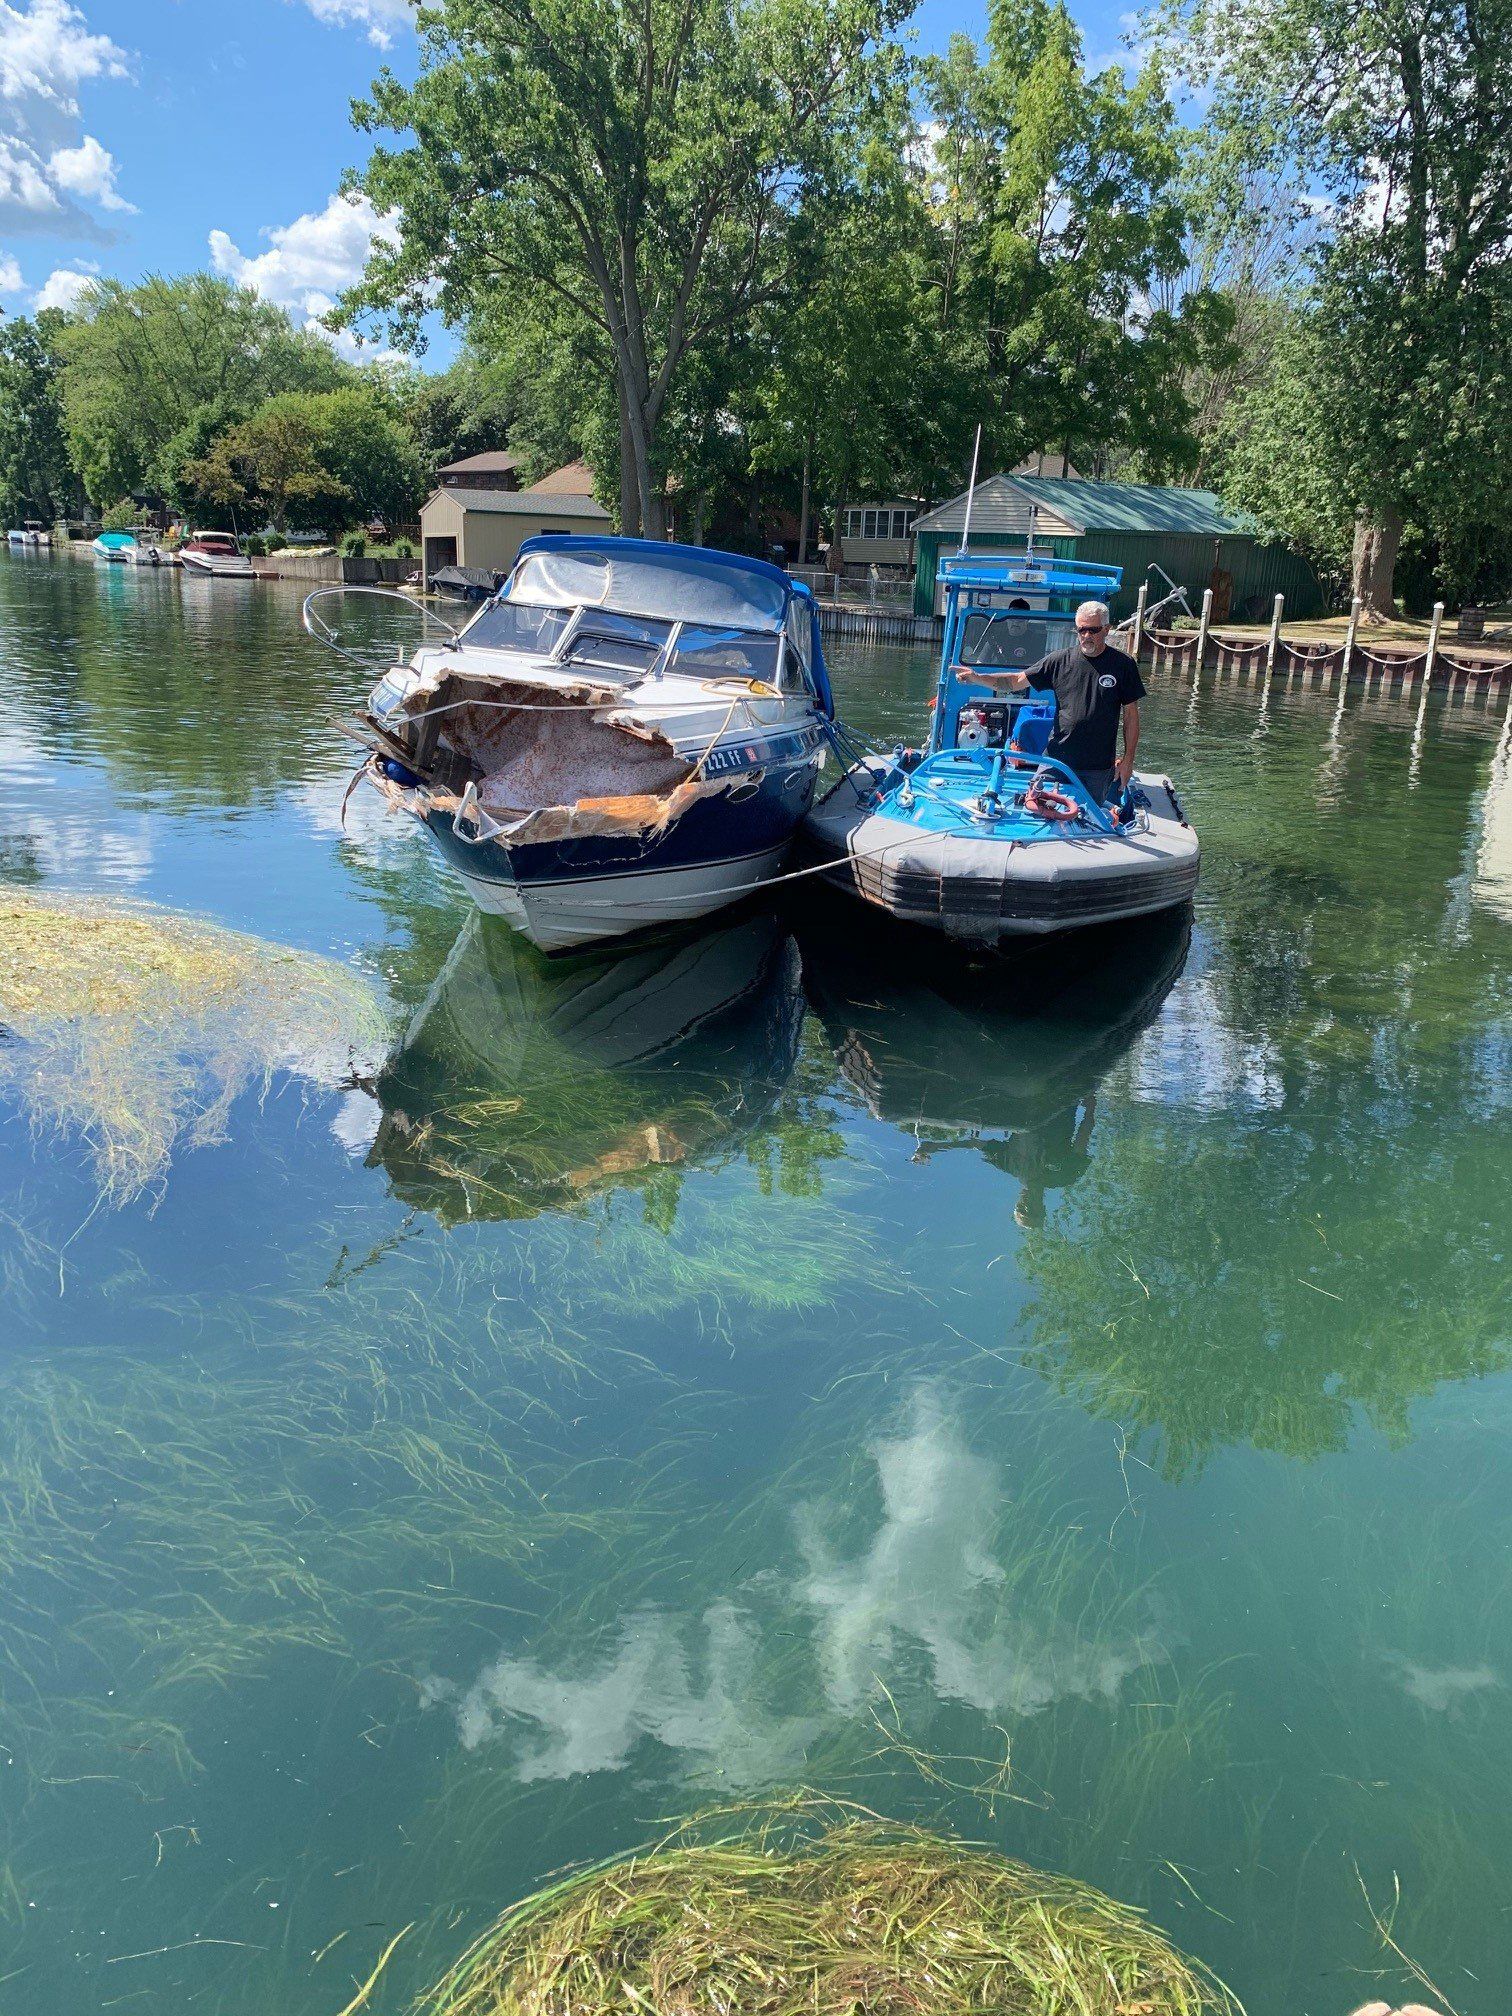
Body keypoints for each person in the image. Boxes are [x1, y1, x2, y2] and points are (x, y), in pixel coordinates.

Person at [974, 598, 1144, 804]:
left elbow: (1131, 715)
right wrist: (977, 678)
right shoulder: (1058, 661)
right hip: (1056, 760)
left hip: (1097, 767)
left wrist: (1128, 761)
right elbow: (1016, 680)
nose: (1087, 636)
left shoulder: (1123, 664)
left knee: (1090, 824)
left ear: (1107, 629)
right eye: (1082, 630)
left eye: (1094, 630)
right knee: (1035, 807)